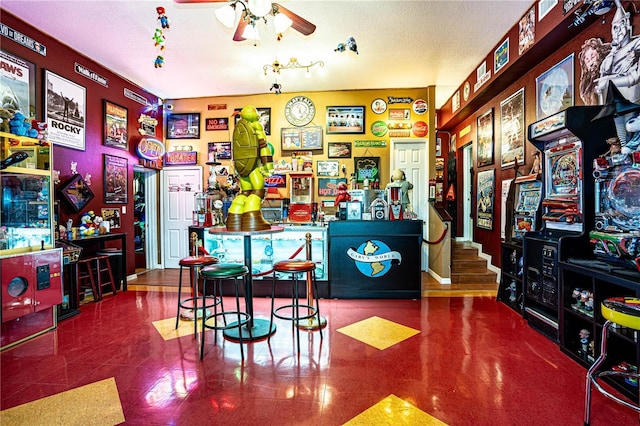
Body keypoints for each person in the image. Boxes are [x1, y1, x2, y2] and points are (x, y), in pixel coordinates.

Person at [595, 0, 640, 103]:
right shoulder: (607, 61)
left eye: (621, 25)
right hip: (614, 110)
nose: (618, 30)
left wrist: (609, 81)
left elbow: (635, 77)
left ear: (627, 24)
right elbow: (601, 90)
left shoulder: (637, 44)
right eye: (615, 28)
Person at [578, 37, 611, 105]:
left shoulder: (607, 66)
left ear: (600, 54)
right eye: (587, 60)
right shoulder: (585, 84)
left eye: (592, 57)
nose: (591, 63)